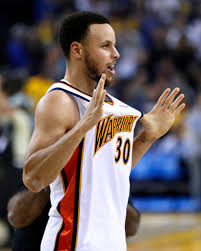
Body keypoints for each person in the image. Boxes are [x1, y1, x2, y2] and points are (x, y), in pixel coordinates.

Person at [22, 11, 185, 251]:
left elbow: (109, 171)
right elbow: (33, 178)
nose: (116, 54)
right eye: (106, 46)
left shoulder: (114, 106)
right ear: (77, 50)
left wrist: (146, 138)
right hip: (72, 242)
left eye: (115, 46)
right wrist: (82, 127)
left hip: (112, 242)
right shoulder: (60, 101)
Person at [7, 186, 139, 251]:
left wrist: (100, 191)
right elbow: (16, 217)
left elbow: (132, 227)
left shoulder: (103, 173)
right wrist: (51, 185)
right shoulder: (42, 164)